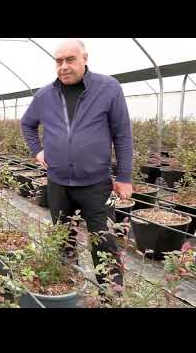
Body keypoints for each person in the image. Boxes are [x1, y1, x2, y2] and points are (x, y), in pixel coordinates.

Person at [20, 40, 133, 289]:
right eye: (58, 61)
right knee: (63, 242)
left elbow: (122, 134)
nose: (63, 66)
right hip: (58, 183)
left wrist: (124, 176)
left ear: (85, 58)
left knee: (104, 242)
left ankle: (111, 296)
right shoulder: (45, 95)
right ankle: (69, 289)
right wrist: (37, 150)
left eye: (70, 60)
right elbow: (27, 124)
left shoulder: (108, 88)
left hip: (97, 185)